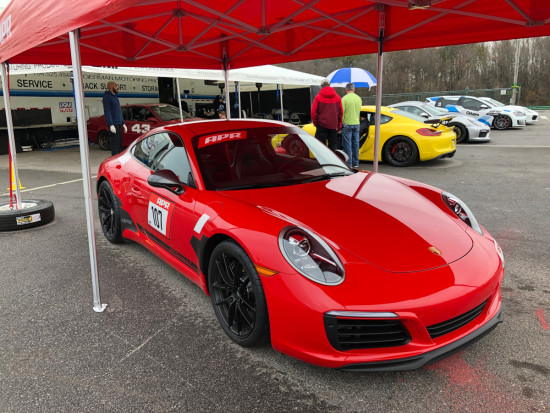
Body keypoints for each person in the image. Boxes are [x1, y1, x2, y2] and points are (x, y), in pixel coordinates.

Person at [310, 79, 342, 151]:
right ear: (329, 85)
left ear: (322, 86)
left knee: (320, 147)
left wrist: (316, 123)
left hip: (321, 125)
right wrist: (339, 126)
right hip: (333, 126)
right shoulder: (338, 98)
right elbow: (340, 113)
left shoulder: (318, 97)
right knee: (332, 148)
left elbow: (313, 112)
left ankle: (322, 158)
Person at [341, 83, 362, 169]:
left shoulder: (344, 99)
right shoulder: (359, 98)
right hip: (356, 124)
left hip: (347, 124)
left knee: (347, 145)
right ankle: (356, 162)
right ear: (354, 89)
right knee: (356, 144)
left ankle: (349, 163)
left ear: (346, 90)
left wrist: (340, 124)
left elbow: (342, 113)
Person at [102, 81, 127, 155]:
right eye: (116, 86)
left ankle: (119, 157)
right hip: (114, 123)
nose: (117, 87)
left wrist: (123, 123)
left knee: (120, 143)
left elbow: (119, 111)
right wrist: (111, 124)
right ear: (111, 87)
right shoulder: (107, 97)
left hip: (119, 123)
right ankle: (115, 158)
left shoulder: (115, 97)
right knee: (115, 144)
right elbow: (107, 112)